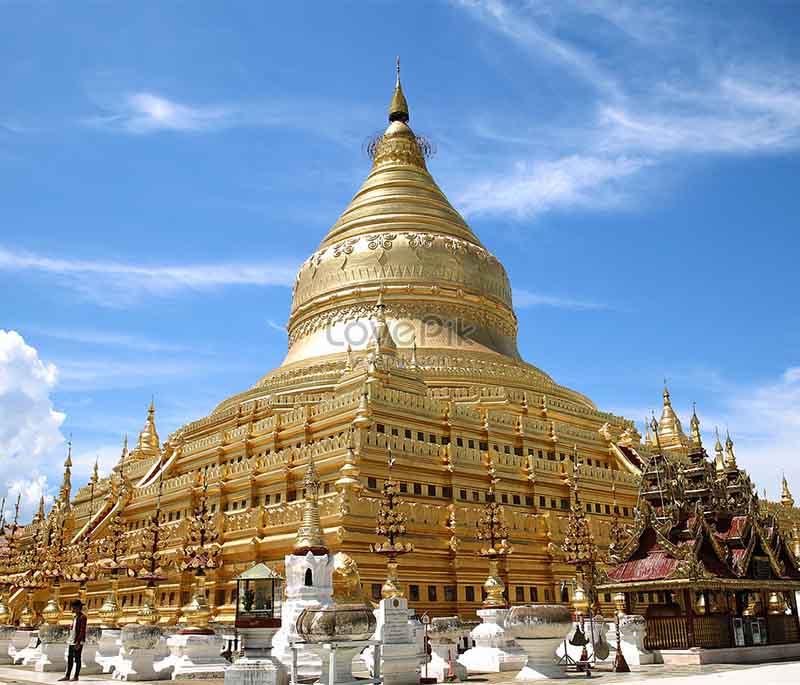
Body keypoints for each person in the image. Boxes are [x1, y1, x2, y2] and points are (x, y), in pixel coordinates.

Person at [59, 599, 87, 681]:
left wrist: (78, 642)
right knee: (70, 658)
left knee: (77, 659)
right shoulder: (75, 617)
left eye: (74, 607)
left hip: (78, 641)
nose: (73, 609)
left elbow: (82, 630)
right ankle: (67, 675)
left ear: (78, 607)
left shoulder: (83, 617)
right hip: (72, 640)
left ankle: (76, 676)